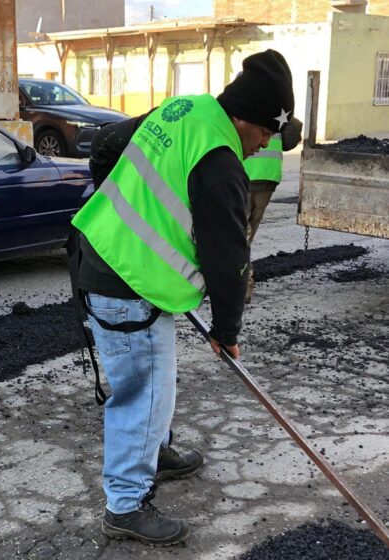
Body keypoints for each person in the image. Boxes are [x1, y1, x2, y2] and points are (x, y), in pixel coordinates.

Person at [71, 50, 295, 545]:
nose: (263, 145)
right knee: (143, 394)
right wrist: (227, 333)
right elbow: (227, 262)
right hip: (128, 284)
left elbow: (107, 144)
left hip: (110, 259)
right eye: (264, 133)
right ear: (245, 118)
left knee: (158, 383)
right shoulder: (219, 162)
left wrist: (118, 209)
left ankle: (156, 453)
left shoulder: (186, 108)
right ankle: (124, 506)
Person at [243, 116, 303, 302]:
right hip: (269, 175)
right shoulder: (279, 111)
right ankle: (242, 286)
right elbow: (292, 135)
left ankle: (242, 288)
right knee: (246, 234)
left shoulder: (244, 108)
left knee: (239, 235)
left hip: (245, 174)